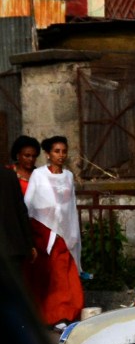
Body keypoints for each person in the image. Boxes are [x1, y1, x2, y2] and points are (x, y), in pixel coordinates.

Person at [23, 135, 83, 329]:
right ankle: (54, 316)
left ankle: (67, 313)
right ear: (48, 154)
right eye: (57, 151)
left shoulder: (68, 176)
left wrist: (72, 232)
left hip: (64, 231)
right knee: (51, 275)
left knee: (65, 274)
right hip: (43, 230)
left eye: (64, 151)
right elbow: (29, 203)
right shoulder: (38, 174)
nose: (61, 155)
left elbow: (71, 206)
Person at [1, 166, 34, 277]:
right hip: (12, 246)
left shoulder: (9, 176)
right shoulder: (9, 175)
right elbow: (21, 211)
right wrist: (30, 243)